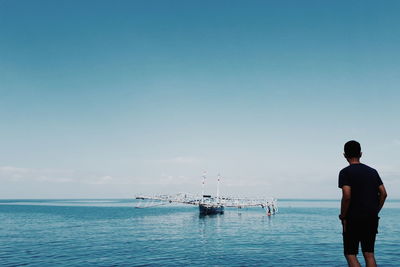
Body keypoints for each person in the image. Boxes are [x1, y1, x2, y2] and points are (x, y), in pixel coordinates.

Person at [338, 140, 387, 267]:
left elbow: (347, 196)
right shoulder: (372, 171)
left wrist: (343, 215)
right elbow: (383, 193)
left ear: (344, 155)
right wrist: (375, 210)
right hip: (371, 217)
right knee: (369, 254)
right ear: (361, 153)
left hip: (352, 218)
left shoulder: (345, 172)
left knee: (350, 254)